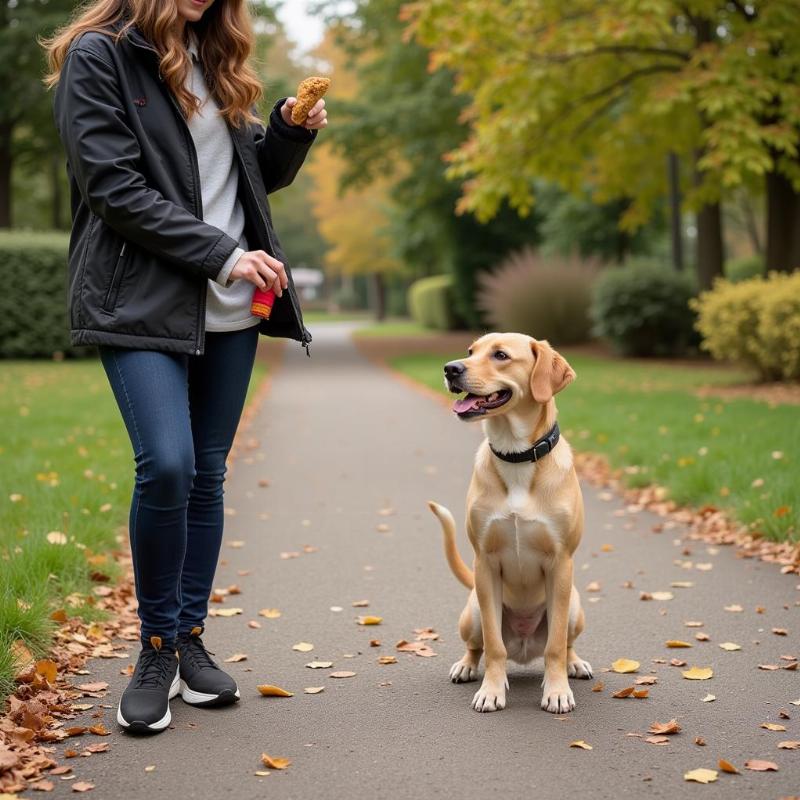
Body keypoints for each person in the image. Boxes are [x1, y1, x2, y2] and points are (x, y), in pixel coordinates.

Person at [43, 0, 327, 734]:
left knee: (205, 470)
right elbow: (112, 187)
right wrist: (224, 255)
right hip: (141, 301)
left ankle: (190, 640)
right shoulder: (99, 55)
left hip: (232, 307)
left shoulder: (216, 58)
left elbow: (244, 184)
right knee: (165, 464)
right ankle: (156, 649)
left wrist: (289, 135)